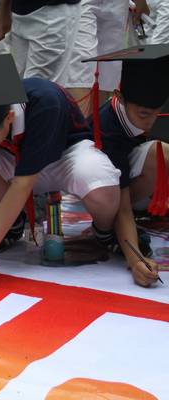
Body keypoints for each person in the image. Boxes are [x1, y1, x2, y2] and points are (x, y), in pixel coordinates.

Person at [0, 54, 121, 289]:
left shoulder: (45, 101)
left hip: (66, 154)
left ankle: (104, 231)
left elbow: (23, 184)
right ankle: (13, 226)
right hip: (12, 156)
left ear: (9, 117)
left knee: (98, 179)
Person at [86, 45, 168, 287]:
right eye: (144, 115)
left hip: (138, 179)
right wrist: (136, 259)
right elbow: (120, 205)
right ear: (120, 98)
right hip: (108, 190)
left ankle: (149, 207)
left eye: (158, 112)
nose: (151, 121)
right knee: (160, 153)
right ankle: (107, 229)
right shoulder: (107, 129)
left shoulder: (154, 108)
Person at [65, 0, 149, 116]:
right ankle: (81, 126)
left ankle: (94, 124)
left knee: (105, 67)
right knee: (81, 64)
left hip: (118, 3)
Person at [0, 0, 80, 86]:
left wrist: (4, 8)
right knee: (21, 85)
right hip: (18, 11)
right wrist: (4, 8)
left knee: (37, 87)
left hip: (52, 12)